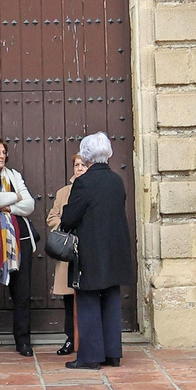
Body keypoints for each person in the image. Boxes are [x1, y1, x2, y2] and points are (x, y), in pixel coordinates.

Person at [58, 132, 133, 370]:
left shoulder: (84, 182)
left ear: (87, 155)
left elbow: (69, 218)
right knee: (111, 298)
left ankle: (90, 357)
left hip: (90, 251)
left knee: (88, 300)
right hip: (115, 249)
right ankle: (113, 353)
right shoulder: (116, 180)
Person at [0, 137, 37, 357]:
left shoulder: (14, 176)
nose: (2, 156)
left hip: (18, 243)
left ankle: (23, 341)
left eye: (4, 152)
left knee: (21, 293)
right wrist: (15, 197)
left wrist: (8, 207)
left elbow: (29, 205)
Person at [44, 153, 89, 357]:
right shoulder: (63, 192)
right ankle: (71, 337)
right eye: (76, 165)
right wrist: (64, 226)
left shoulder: (93, 190)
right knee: (69, 301)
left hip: (88, 251)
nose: (79, 168)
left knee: (88, 297)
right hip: (69, 251)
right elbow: (52, 217)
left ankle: (88, 339)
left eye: (83, 165)